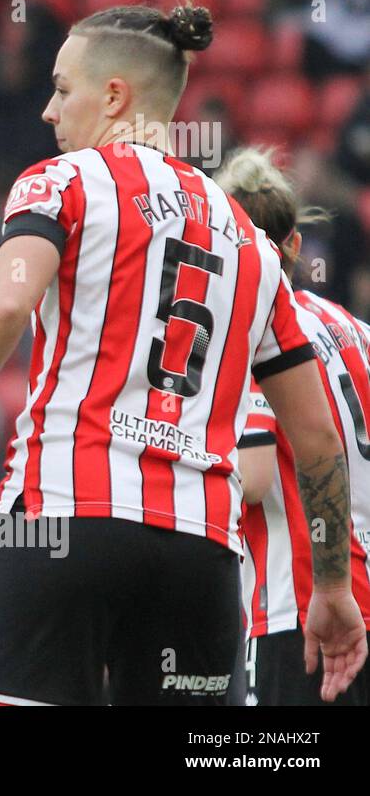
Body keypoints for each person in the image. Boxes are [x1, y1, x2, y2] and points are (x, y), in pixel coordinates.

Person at [0, 3, 368, 705]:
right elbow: (317, 436)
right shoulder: (248, 238)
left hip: (65, 514)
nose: (49, 112)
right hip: (199, 549)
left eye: (62, 88)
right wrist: (331, 586)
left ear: (114, 94)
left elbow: (5, 304)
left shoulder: (61, 182)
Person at [217, 145, 370, 706]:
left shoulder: (255, 334)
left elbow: (253, 477)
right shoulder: (355, 330)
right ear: (295, 245)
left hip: (299, 611)